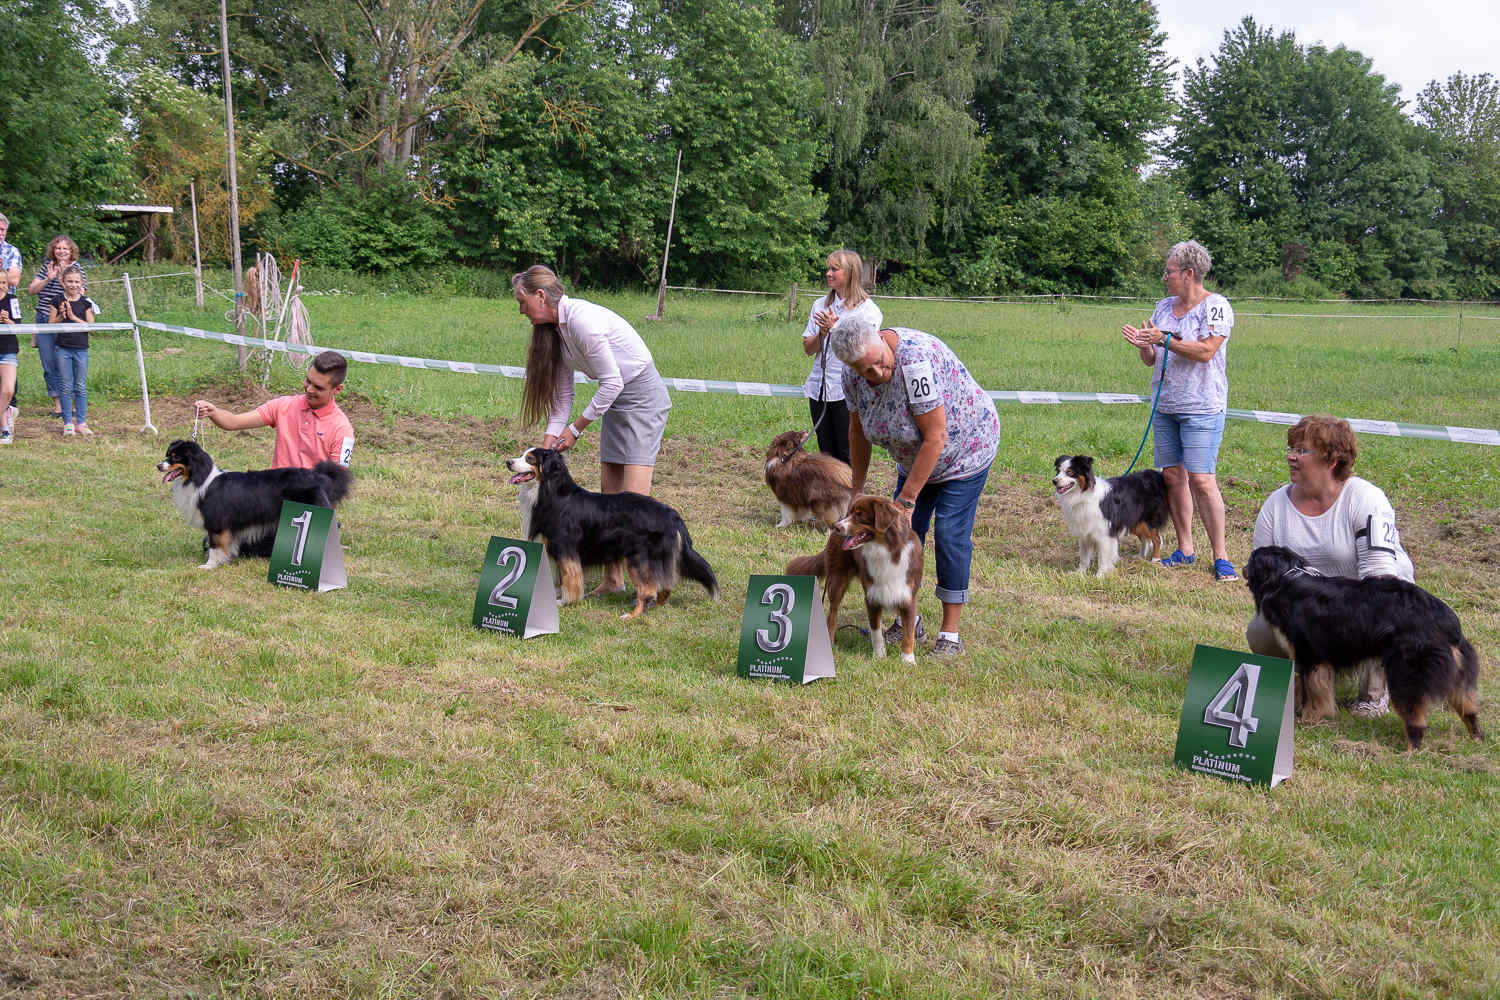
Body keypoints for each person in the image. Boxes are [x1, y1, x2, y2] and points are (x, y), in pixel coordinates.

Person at [828, 314, 1000, 656]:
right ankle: (909, 622)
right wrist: (856, 489)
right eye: (866, 371)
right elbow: (858, 432)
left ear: (879, 338)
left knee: (949, 535)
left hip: (964, 452)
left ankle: (950, 634)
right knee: (900, 536)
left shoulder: (915, 361)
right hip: (912, 458)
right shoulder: (851, 377)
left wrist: (906, 501)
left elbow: (935, 436)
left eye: (878, 362)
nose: (876, 374)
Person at [512, 264, 672, 595]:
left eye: (522, 301)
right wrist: (542, 453)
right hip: (612, 402)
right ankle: (613, 581)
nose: (521, 309)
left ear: (540, 296)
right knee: (608, 496)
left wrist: (576, 429)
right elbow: (562, 400)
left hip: (642, 398)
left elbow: (612, 381)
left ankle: (648, 586)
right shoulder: (554, 333)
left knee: (633, 501)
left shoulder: (582, 320)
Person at [1247, 415, 1413, 718]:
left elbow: (1381, 582)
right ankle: (1301, 680)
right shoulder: (1275, 506)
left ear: (1333, 460)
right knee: (1260, 629)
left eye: (1301, 450)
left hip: (1366, 604)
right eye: (1290, 448)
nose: (1291, 456)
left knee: (1382, 611)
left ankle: (1374, 692)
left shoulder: (1366, 499)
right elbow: (1261, 577)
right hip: (1313, 610)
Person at [1121, 239, 1237, 582]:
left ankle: (1221, 556)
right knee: (1173, 477)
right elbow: (1152, 358)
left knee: (1202, 480)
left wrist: (1163, 340)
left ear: (1189, 274)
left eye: (1169, 271)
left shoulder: (1216, 307)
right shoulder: (1162, 307)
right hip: (1166, 405)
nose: (1164, 277)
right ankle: (1185, 548)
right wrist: (1145, 346)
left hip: (1202, 406)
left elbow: (1205, 351)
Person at [194, 350, 355, 469]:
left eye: (318, 387)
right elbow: (233, 422)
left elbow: (337, 480)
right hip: (275, 497)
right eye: (308, 381)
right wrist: (213, 412)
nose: (309, 389)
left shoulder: (342, 429)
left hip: (312, 503)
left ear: (337, 389)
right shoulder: (283, 406)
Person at [800, 250, 882, 464]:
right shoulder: (820, 306)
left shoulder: (868, 311)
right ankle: (830, 495)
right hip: (819, 388)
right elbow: (808, 349)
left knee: (848, 452)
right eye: (828, 268)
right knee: (826, 453)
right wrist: (822, 333)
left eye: (835, 269)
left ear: (851, 272)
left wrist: (834, 329)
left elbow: (864, 352)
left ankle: (851, 496)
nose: (828, 273)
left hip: (849, 390)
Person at [27, 234, 85, 423]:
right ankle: (58, 406)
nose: (61, 251)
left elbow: (80, 292)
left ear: (71, 251)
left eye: (65, 248)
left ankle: (74, 404)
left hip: (67, 320)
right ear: (53, 249)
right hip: (45, 318)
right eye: (58, 248)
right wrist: (48, 279)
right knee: (49, 362)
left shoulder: (77, 269)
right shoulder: (47, 266)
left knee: (69, 362)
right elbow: (32, 290)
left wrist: (61, 279)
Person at [48, 267, 96, 436]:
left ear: (81, 283)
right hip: (62, 348)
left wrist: (74, 317)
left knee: (80, 386)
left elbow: (91, 329)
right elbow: (50, 326)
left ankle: (81, 422)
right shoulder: (57, 300)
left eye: (76, 282)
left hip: (81, 350)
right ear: (63, 282)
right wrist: (61, 315)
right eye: (70, 281)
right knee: (66, 385)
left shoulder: (86, 303)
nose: (73, 285)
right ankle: (68, 422)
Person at [0, 213, 20, 441]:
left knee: (8, 390)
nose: (0, 233)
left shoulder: (12, 250)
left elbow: (15, 278)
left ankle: (6, 421)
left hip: (7, 344)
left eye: (3, 230)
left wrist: (6, 321)